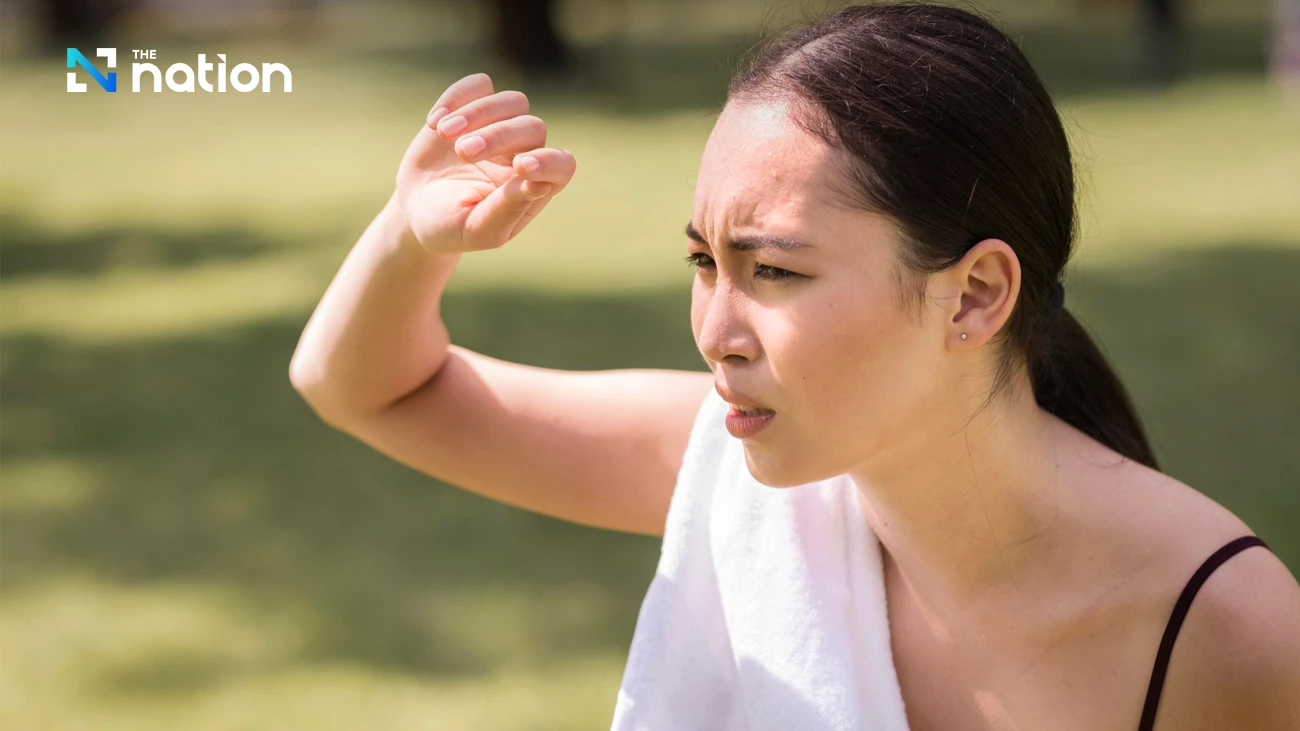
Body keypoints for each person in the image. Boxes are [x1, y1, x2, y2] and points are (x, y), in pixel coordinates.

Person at [289, 3, 1300, 728]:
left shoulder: (1225, 633)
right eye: (704, 262)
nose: (716, 330)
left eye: (772, 269)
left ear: (975, 294)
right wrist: (410, 237)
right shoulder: (730, 477)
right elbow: (364, 387)